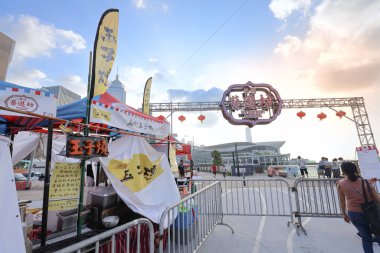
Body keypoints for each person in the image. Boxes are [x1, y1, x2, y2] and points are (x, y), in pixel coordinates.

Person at [337, 162, 380, 253]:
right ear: (356, 170)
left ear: (344, 172)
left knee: (366, 238)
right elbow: (378, 199)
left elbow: (342, 201)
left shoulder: (341, 184)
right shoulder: (365, 182)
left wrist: (344, 214)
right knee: (378, 235)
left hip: (353, 214)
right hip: (371, 213)